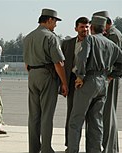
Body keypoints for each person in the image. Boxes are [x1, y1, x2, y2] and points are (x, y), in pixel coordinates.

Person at [67, 16, 122, 153]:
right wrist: (111, 76)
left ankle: (72, 150)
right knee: (96, 121)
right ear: (104, 29)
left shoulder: (90, 39)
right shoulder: (112, 45)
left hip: (88, 81)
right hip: (103, 82)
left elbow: (82, 57)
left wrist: (80, 76)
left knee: (76, 120)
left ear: (91, 28)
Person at [23, 8, 68, 153]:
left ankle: (34, 149)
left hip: (32, 75)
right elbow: (58, 63)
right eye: (55, 21)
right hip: (47, 75)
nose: (55, 25)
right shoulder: (50, 37)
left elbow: (26, 63)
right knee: (47, 115)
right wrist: (64, 83)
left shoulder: (28, 37)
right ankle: (47, 148)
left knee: (34, 115)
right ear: (49, 20)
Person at [93, 11, 122, 153]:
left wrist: (110, 76)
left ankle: (110, 148)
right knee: (107, 112)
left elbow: (116, 59)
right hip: (107, 77)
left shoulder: (113, 35)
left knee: (108, 112)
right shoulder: (110, 34)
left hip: (110, 77)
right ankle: (111, 147)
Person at [61, 17, 90, 152]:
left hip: (88, 81)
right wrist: (63, 84)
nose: (85, 30)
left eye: (87, 27)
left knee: (91, 115)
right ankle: (70, 145)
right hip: (73, 81)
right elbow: (62, 64)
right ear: (76, 29)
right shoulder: (67, 44)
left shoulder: (93, 43)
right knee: (72, 113)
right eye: (82, 27)